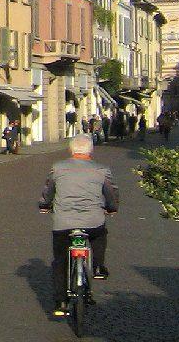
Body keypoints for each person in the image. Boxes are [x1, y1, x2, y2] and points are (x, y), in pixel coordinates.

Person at [38, 134, 118, 319]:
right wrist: (112, 208)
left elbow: (48, 191)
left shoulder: (57, 168)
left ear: (71, 150)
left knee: (60, 261)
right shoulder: (101, 169)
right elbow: (111, 193)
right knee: (100, 234)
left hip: (64, 223)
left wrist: (44, 205)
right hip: (93, 221)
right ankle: (98, 266)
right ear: (91, 150)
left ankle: (61, 302)